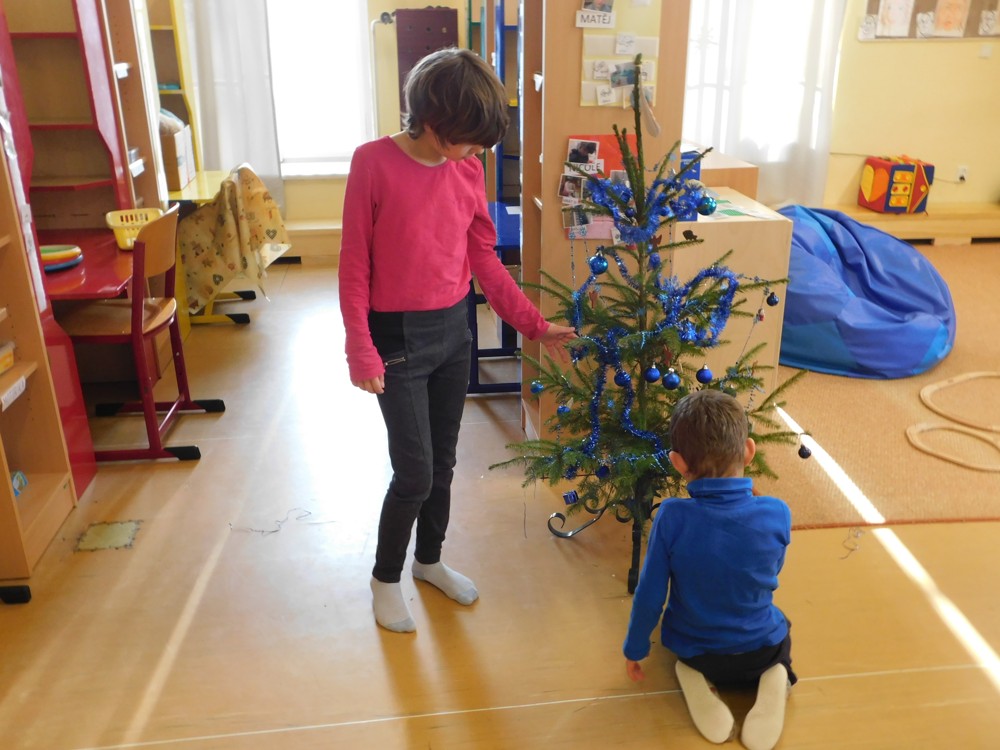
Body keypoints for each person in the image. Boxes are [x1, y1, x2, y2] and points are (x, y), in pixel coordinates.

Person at [339, 47, 577, 634]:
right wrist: (359, 348)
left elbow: (485, 261)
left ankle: (429, 561)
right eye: (469, 140)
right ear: (434, 120)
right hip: (395, 337)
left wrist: (534, 325)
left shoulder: (467, 170)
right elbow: (353, 265)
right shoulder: (372, 163)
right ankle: (385, 578)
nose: (477, 153)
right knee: (414, 473)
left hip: (453, 330)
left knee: (442, 464)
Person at [622, 389, 796, 750]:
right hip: (760, 649)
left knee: (685, 651)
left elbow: (650, 595)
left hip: (696, 650)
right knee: (781, 628)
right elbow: (769, 572)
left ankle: (693, 677)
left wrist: (635, 649)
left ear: (677, 463)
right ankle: (776, 676)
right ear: (748, 451)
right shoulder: (778, 512)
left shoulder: (672, 517)